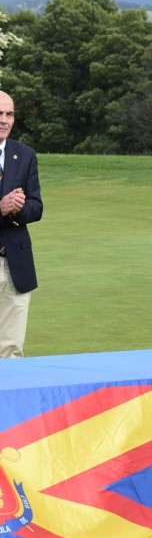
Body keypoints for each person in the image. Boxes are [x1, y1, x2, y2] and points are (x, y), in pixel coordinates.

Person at [0, 90, 42, 359]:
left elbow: (36, 207)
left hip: (16, 264)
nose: (4, 119)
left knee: (11, 350)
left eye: (9, 114)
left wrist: (18, 207)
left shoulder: (25, 155)